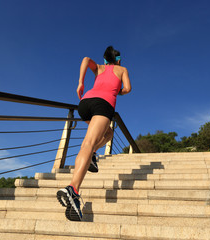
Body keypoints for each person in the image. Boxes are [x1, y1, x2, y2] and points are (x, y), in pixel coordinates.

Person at [56, 46, 131, 221]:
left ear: (105, 60)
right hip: (103, 104)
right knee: (88, 144)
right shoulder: (122, 69)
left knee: (109, 134)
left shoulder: (98, 68)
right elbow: (127, 88)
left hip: (85, 103)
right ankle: (73, 189)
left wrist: (81, 82)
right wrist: (117, 90)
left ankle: (92, 155)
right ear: (118, 60)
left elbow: (85, 59)